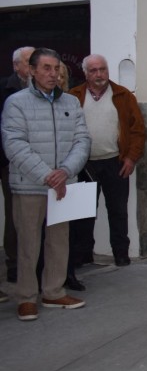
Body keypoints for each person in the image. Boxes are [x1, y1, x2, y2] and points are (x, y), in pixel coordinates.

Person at [2, 48, 91, 321]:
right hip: (30, 186)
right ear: (31, 70)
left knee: (59, 241)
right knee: (28, 244)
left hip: (63, 186)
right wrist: (47, 175)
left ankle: (53, 291)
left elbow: (82, 141)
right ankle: (26, 297)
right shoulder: (16, 103)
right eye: (46, 68)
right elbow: (14, 145)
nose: (53, 74)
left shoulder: (71, 103)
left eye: (56, 68)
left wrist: (64, 172)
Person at [68, 54, 146, 278]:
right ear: (85, 73)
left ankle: (121, 253)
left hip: (116, 161)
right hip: (84, 164)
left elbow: (137, 130)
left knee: (118, 211)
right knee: (83, 213)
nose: (99, 74)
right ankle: (83, 254)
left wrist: (131, 158)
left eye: (102, 69)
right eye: (93, 70)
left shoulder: (122, 95)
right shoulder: (74, 96)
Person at [1, 46, 34, 285]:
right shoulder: (5, 90)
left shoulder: (42, 90)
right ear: (16, 66)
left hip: (34, 161)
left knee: (26, 217)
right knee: (13, 216)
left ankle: (25, 265)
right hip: (8, 161)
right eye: (28, 62)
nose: (33, 67)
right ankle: (13, 264)